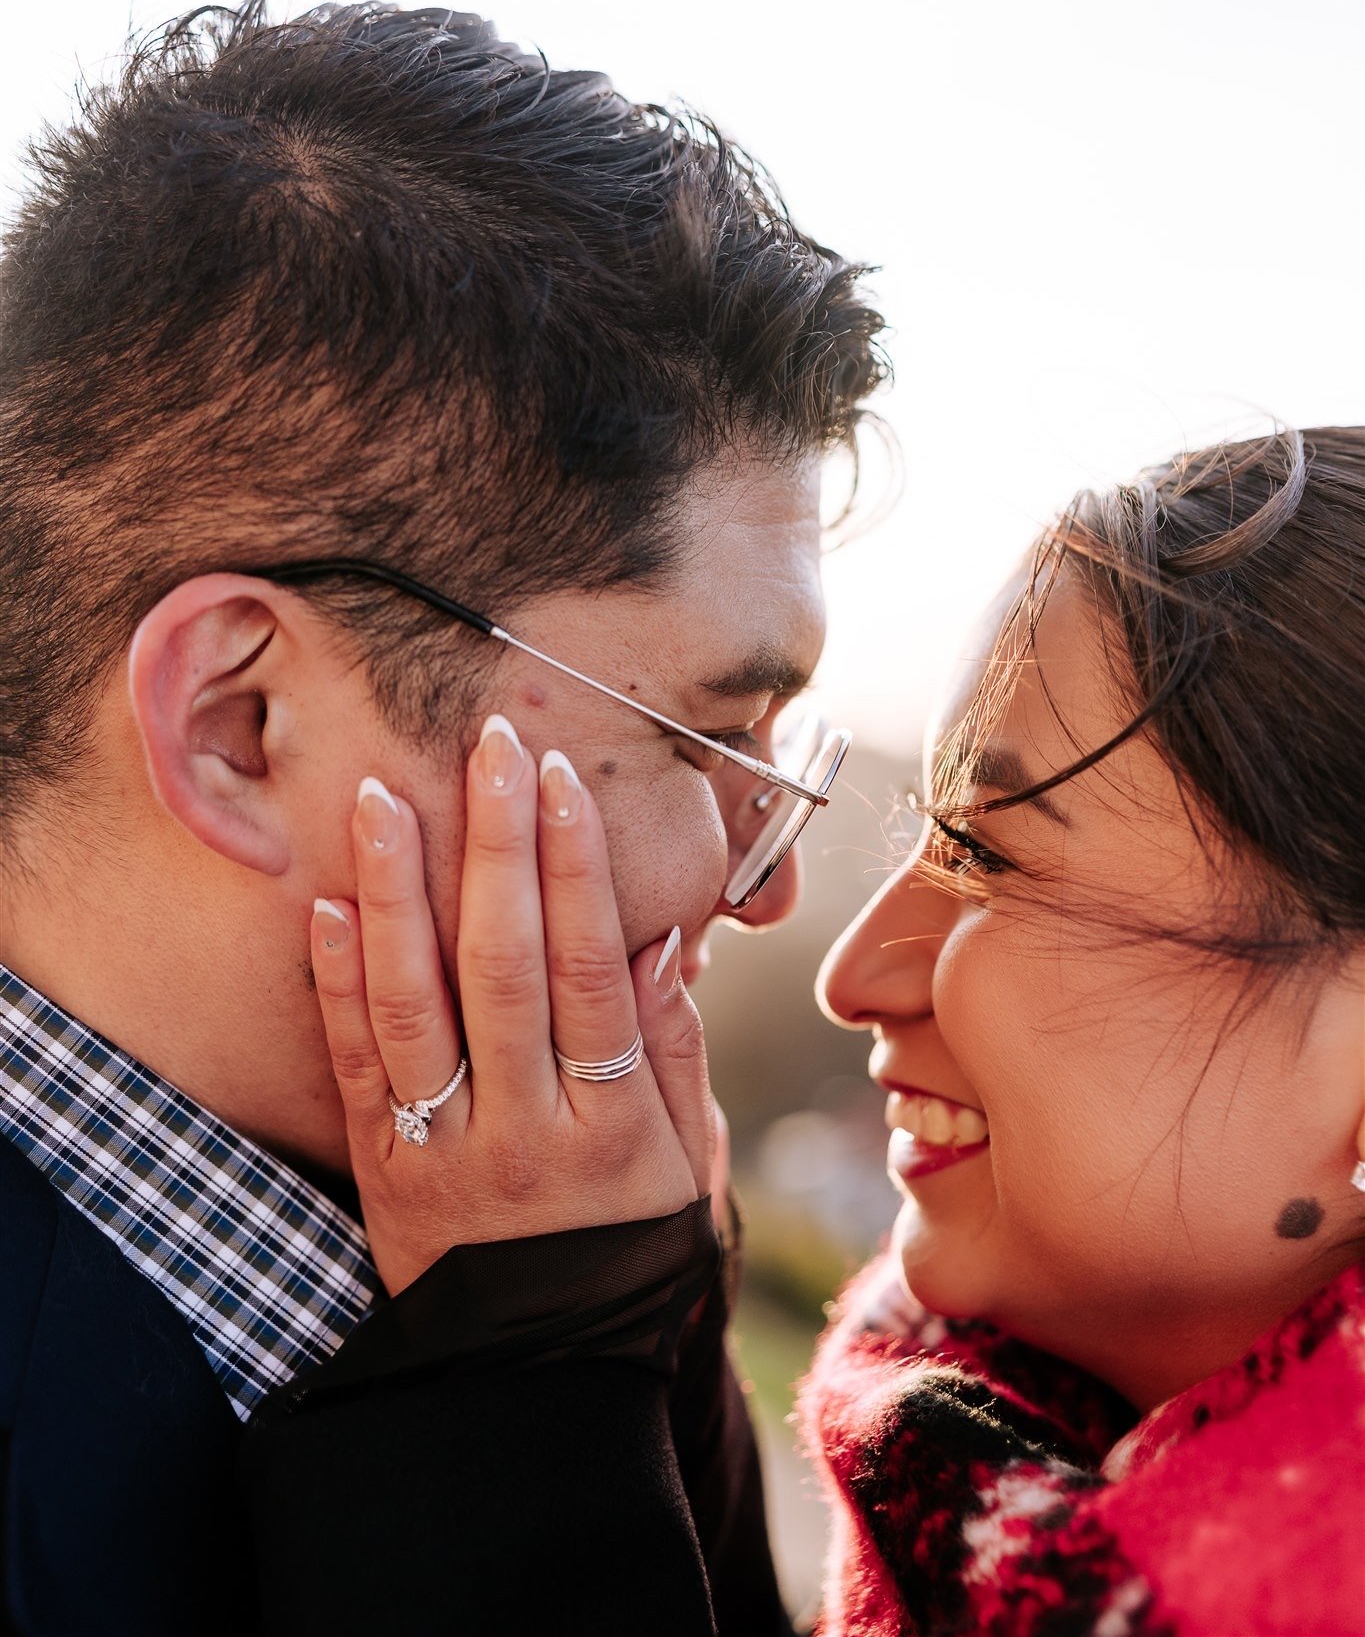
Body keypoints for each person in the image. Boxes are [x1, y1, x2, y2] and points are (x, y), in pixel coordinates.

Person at [0, 0, 886, 1635]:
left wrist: (630, 1372)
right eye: (706, 733)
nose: (771, 895)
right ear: (238, 727)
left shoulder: (555, 1263)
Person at [256, 427, 1365, 1636]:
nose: (850, 972)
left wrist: (523, 1402)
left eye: (988, 858)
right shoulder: (978, 1474)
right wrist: (631, 1352)